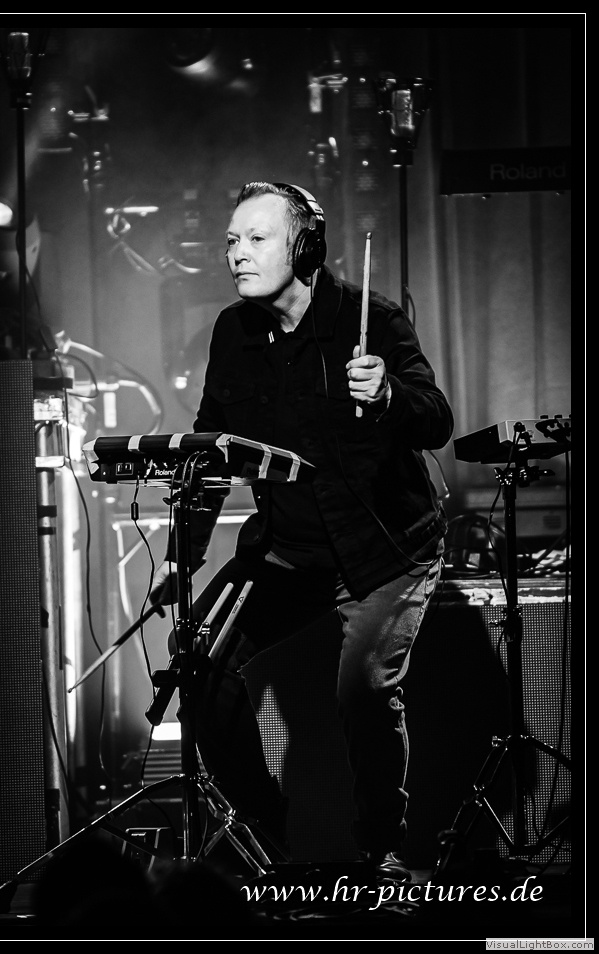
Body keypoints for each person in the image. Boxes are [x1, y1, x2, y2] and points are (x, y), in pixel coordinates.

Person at [150, 181, 454, 885]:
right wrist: (181, 560)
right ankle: (265, 844)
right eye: (232, 240)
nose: (237, 253)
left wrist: (389, 395)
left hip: (383, 552)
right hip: (290, 552)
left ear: (306, 247)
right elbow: (212, 451)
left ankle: (384, 854)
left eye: (256, 239)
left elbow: (435, 418)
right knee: (200, 672)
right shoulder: (232, 332)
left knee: (362, 691)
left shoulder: (371, 318)